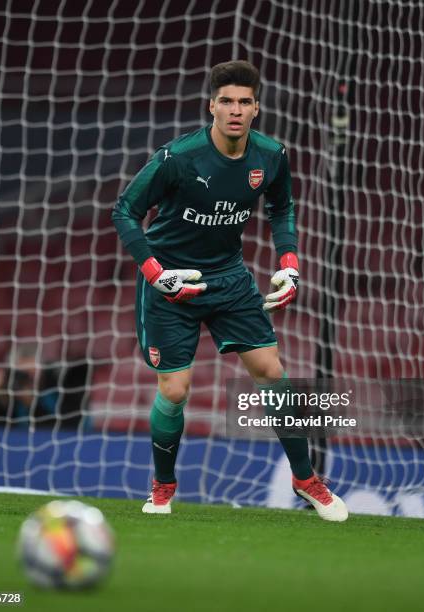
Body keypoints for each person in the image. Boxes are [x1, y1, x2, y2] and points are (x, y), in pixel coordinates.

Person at [112, 60, 348, 521]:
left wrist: (289, 263)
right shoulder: (178, 158)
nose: (235, 110)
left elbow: (282, 209)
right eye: (226, 102)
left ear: (256, 108)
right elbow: (124, 211)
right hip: (172, 282)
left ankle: (306, 479)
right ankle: (163, 486)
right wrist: (157, 273)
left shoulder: (271, 156)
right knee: (175, 391)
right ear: (211, 107)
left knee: (271, 370)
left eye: (244, 101)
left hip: (228, 276)